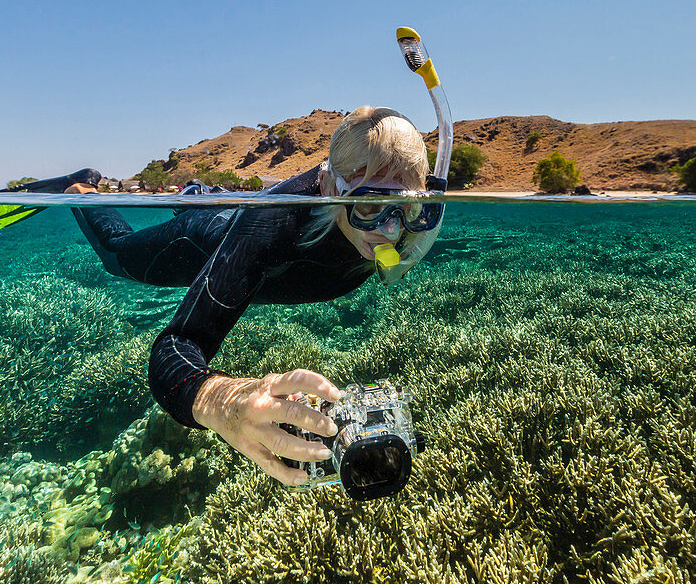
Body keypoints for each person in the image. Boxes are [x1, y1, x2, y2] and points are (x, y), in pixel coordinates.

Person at [24, 106, 444, 486]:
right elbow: (174, 348)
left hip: (244, 216)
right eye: (371, 208)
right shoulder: (271, 228)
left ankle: (195, 195)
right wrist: (222, 402)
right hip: (208, 238)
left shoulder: (420, 222)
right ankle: (82, 188)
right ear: (326, 185)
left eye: (405, 208)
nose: (391, 230)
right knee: (119, 259)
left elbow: (398, 217)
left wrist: (398, 212)